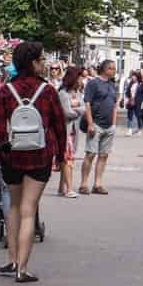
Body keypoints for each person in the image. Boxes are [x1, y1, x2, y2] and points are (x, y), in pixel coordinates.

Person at [0, 42, 68, 282]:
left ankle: (11, 260)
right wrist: (61, 155)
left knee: (13, 206)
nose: (44, 64)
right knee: (28, 210)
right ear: (32, 62)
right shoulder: (48, 91)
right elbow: (59, 126)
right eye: (41, 59)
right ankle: (23, 268)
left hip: (11, 155)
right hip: (40, 155)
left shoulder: (5, 91)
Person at [81, 59, 118, 194]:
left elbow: (114, 105)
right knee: (90, 154)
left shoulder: (113, 85)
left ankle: (98, 184)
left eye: (114, 68)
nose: (114, 71)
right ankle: (84, 184)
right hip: (96, 124)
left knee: (103, 155)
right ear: (104, 69)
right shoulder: (93, 83)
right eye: (111, 68)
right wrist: (90, 124)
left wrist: (114, 124)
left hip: (109, 126)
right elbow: (87, 103)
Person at [57, 66, 86, 198]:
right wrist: (78, 109)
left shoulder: (78, 93)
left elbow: (84, 107)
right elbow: (66, 112)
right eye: (80, 77)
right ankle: (69, 189)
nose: (82, 80)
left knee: (66, 159)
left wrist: (77, 108)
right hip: (65, 130)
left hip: (74, 131)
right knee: (68, 159)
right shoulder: (63, 93)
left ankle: (61, 187)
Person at [122, 70, 143, 136]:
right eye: (132, 76)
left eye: (134, 76)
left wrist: (142, 102)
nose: (133, 78)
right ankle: (129, 130)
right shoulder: (130, 84)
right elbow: (127, 92)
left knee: (138, 116)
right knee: (130, 116)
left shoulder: (141, 84)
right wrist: (128, 99)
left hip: (138, 102)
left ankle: (139, 129)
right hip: (131, 101)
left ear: (137, 77)